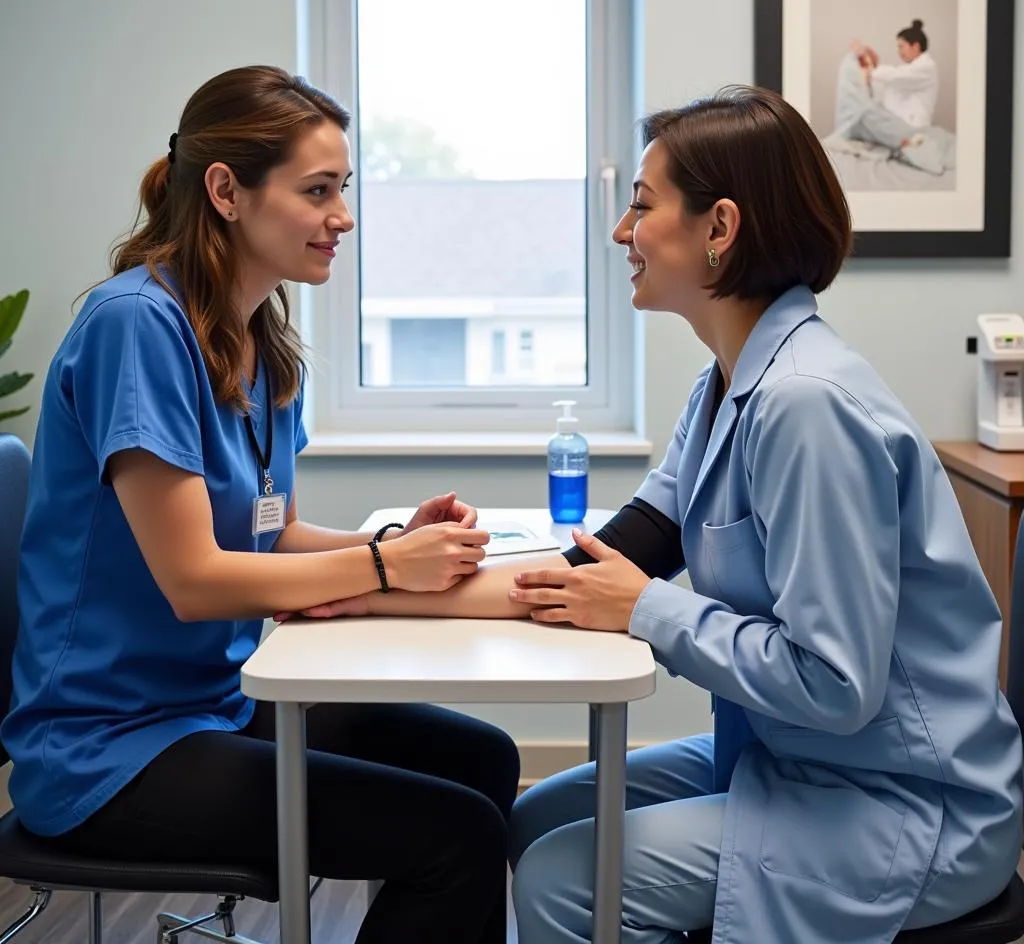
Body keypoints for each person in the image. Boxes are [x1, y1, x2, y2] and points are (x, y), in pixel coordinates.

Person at [289, 85, 1024, 944]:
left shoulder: (807, 406)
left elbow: (837, 685)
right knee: (531, 821)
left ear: (720, 229)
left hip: (903, 802)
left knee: (569, 879)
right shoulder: (725, 386)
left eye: (641, 206)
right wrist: (374, 588)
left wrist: (647, 608)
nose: (621, 232)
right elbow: (597, 569)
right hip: (793, 762)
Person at [1, 65, 518, 944]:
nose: (342, 216)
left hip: (216, 702)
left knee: (480, 760)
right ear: (226, 191)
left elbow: (268, 538)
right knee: (454, 837)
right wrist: (388, 565)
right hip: (107, 749)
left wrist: (386, 540)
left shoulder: (259, 342)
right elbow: (196, 580)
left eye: (343, 189)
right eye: (318, 191)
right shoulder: (136, 325)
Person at [829, 19, 948, 175]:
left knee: (865, 113)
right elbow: (887, 90)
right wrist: (871, 69)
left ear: (916, 46)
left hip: (912, 126)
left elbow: (895, 76)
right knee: (865, 113)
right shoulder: (909, 70)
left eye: (901, 46)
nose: (899, 51)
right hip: (899, 124)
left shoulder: (926, 67)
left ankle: (909, 144)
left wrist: (870, 71)